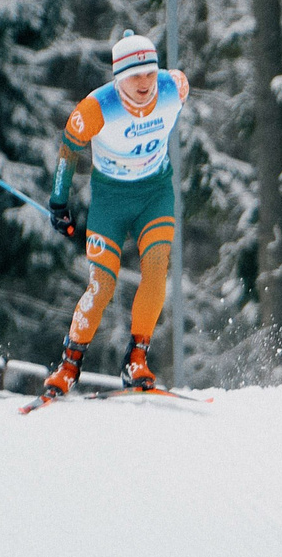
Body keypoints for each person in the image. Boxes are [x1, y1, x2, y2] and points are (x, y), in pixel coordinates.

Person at [43, 31, 188, 395]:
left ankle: (137, 358)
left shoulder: (174, 88)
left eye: (150, 73)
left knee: (156, 268)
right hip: (110, 200)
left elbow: (174, 80)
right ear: (118, 78)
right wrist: (59, 202)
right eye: (134, 76)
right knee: (102, 284)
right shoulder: (95, 108)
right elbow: (68, 150)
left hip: (155, 193)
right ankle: (68, 367)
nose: (144, 83)